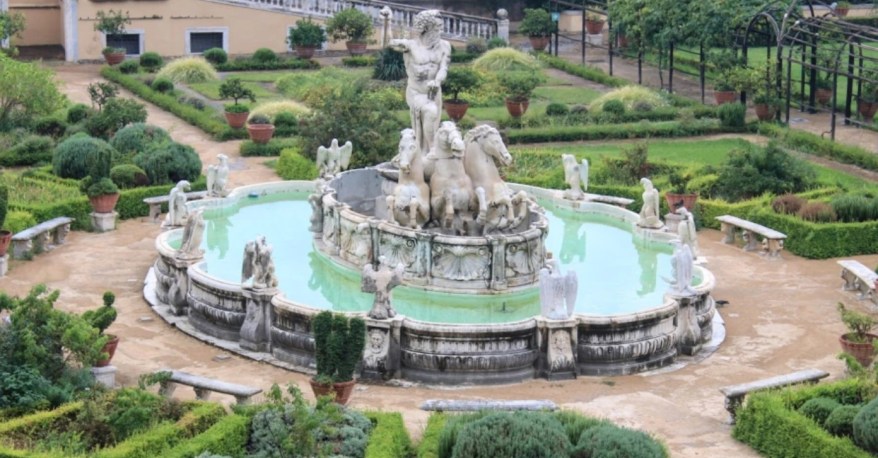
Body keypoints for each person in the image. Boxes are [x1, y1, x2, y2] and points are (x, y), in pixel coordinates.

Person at [388, 10, 451, 155]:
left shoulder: (444, 46)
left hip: (433, 93)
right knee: (430, 111)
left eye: (441, 28)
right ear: (426, 28)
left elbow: (443, 68)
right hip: (416, 91)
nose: (440, 32)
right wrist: (387, 22)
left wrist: (437, 81)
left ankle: (425, 151)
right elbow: (389, 43)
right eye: (437, 28)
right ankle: (433, 149)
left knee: (432, 119)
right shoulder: (410, 45)